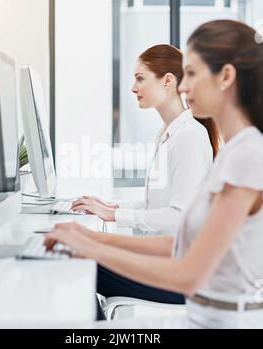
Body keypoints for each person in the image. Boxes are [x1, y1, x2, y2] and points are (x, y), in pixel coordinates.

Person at [45, 19, 263, 328]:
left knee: (81, 283)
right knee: (80, 277)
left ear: (226, 76)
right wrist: (91, 238)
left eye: (192, 74)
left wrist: (93, 247)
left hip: (215, 320)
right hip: (206, 314)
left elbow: (190, 272)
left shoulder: (245, 156)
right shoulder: (236, 152)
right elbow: (184, 242)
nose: (183, 87)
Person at [71, 44, 219, 236]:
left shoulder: (188, 137)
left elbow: (179, 215)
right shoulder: (167, 133)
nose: (133, 88)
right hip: (159, 252)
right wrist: (112, 206)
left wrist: (114, 214)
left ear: (167, 81)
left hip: (171, 259)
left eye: (140, 79)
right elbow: (157, 205)